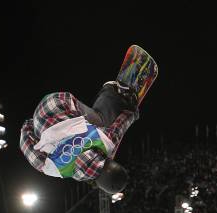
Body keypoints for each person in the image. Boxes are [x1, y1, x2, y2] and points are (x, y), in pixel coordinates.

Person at [19, 45, 158, 195]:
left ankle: (115, 92)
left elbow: (121, 124)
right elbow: (25, 144)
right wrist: (31, 125)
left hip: (62, 103)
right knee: (85, 126)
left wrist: (133, 111)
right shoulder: (56, 169)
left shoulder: (106, 143)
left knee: (103, 122)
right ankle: (49, 126)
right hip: (44, 112)